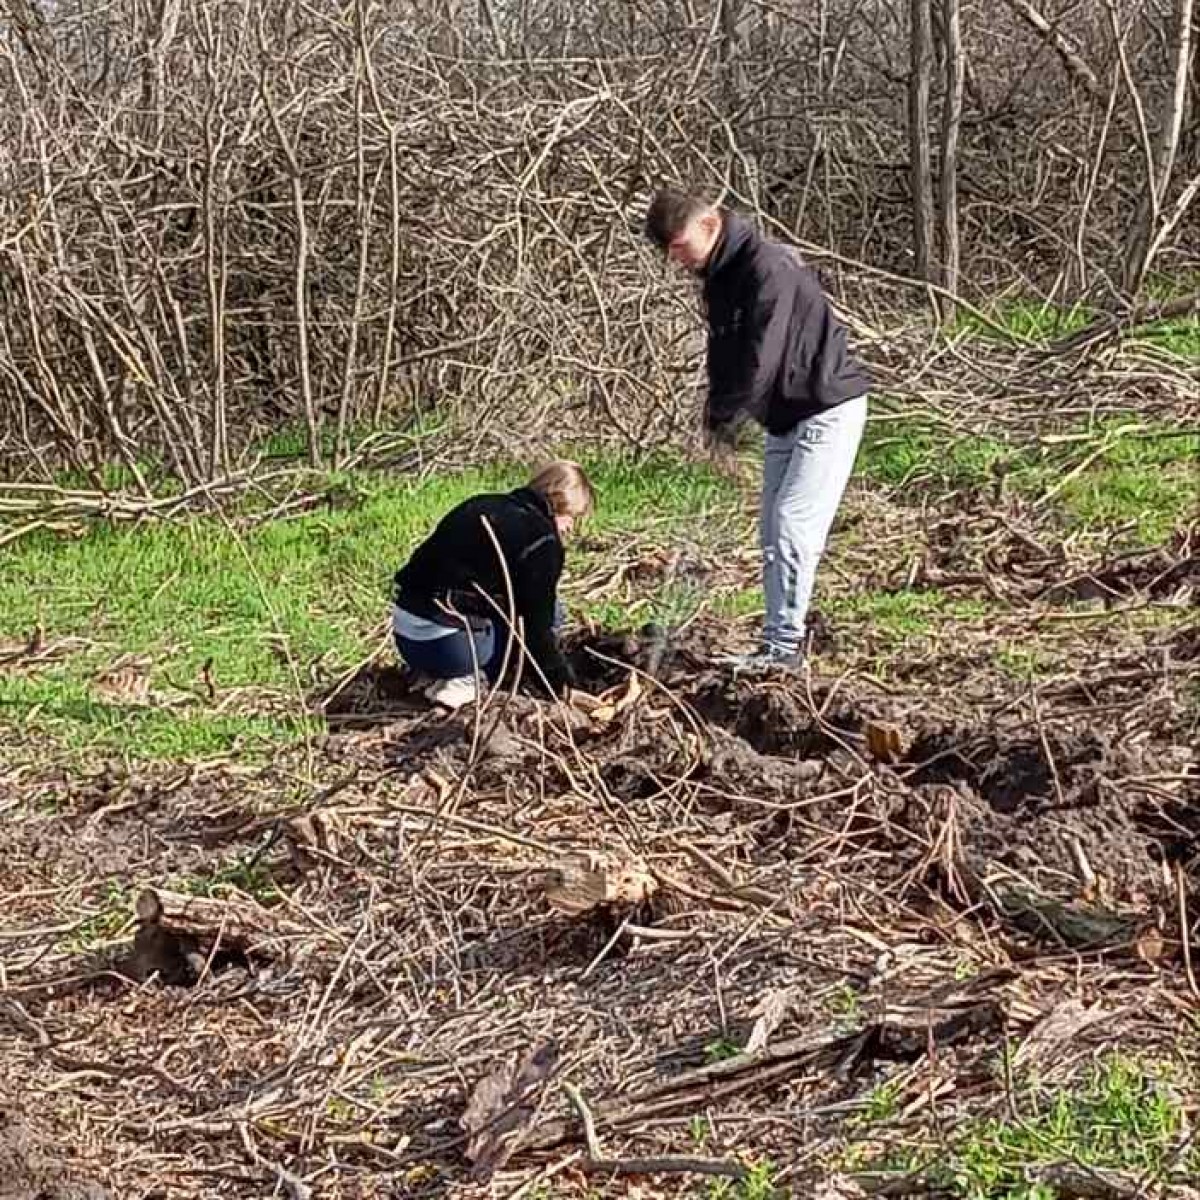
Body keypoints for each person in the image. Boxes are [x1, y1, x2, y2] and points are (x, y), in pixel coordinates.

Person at [644, 188, 871, 672]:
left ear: (709, 225)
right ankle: (774, 642)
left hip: (826, 408)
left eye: (679, 246)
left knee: (792, 524)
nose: (676, 259)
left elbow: (761, 354)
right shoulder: (719, 278)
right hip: (784, 417)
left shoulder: (769, 267)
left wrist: (734, 414)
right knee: (771, 529)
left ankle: (785, 648)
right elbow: (723, 352)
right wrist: (714, 413)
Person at [391, 460, 594, 708]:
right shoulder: (542, 541)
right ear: (560, 504)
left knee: (532, 609)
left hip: (406, 636)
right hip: (449, 648)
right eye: (573, 517)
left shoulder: (483, 504)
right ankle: (464, 680)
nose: (570, 528)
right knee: (553, 614)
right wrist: (562, 685)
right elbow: (536, 631)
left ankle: (434, 671)